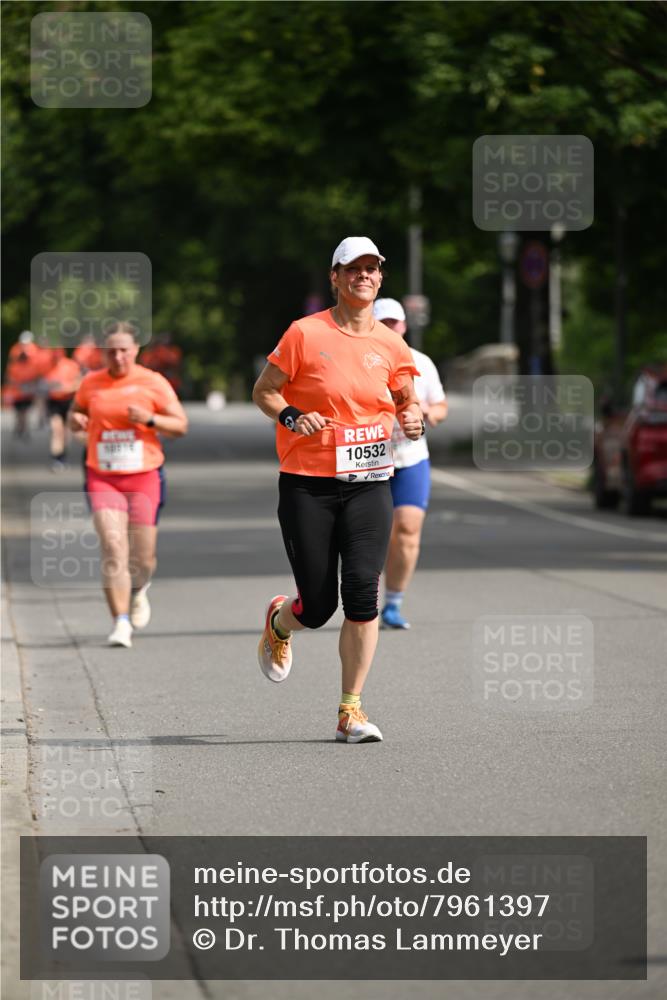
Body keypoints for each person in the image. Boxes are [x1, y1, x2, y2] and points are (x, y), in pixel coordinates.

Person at [252, 237, 424, 743]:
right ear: (335, 277)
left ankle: (351, 710)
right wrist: (291, 415)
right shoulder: (304, 333)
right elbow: (265, 390)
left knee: (363, 593)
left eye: (372, 268)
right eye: (353, 269)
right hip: (308, 483)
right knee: (319, 605)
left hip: (370, 483)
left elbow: (406, 399)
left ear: (380, 277)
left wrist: (412, 418)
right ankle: (281, 622)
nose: (363, 276)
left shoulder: (391, 344)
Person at [69, 322, 188, 648]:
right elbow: (75, 416)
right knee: (113, 547)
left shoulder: (153, 382)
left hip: (144, 476)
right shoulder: (91, 383)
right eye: (111, 351)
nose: (118, 356)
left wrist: (149, 419)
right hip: (102, 475)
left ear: (136, 350)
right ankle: (120, 622)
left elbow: (180, 425)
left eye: (124, 350)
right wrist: (75, 421)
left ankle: (138, 589)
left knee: (143, 559)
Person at [373, 298, 448, 630]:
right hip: (367, 460)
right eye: (383, 323)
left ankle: (393, 603)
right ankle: (362, 600)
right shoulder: (359, 361)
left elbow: (441, 405)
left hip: (410, 458)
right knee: (369, 536)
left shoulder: (421, 363)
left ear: (404, 326)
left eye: (395, 322)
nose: (390, 328)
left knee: (406, 530)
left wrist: (430, 412)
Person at [44, 350, 82, 470]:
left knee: (66, 432)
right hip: (53, 402)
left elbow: (79, 383)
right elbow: (42, 384)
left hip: (68, 401)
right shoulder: (46, 366)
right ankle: (56, 458)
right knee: (56, 429)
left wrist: (66, 388)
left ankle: (63, 455)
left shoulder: (71, 365)